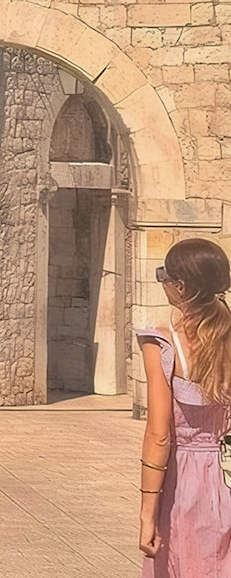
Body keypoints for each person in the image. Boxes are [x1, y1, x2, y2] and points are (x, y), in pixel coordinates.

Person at [136, 238, 231, 575]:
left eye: (164, 274)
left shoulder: (163, 344)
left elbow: (159, 434)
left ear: (179, 286)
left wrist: (147, 513)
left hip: (186, 486)